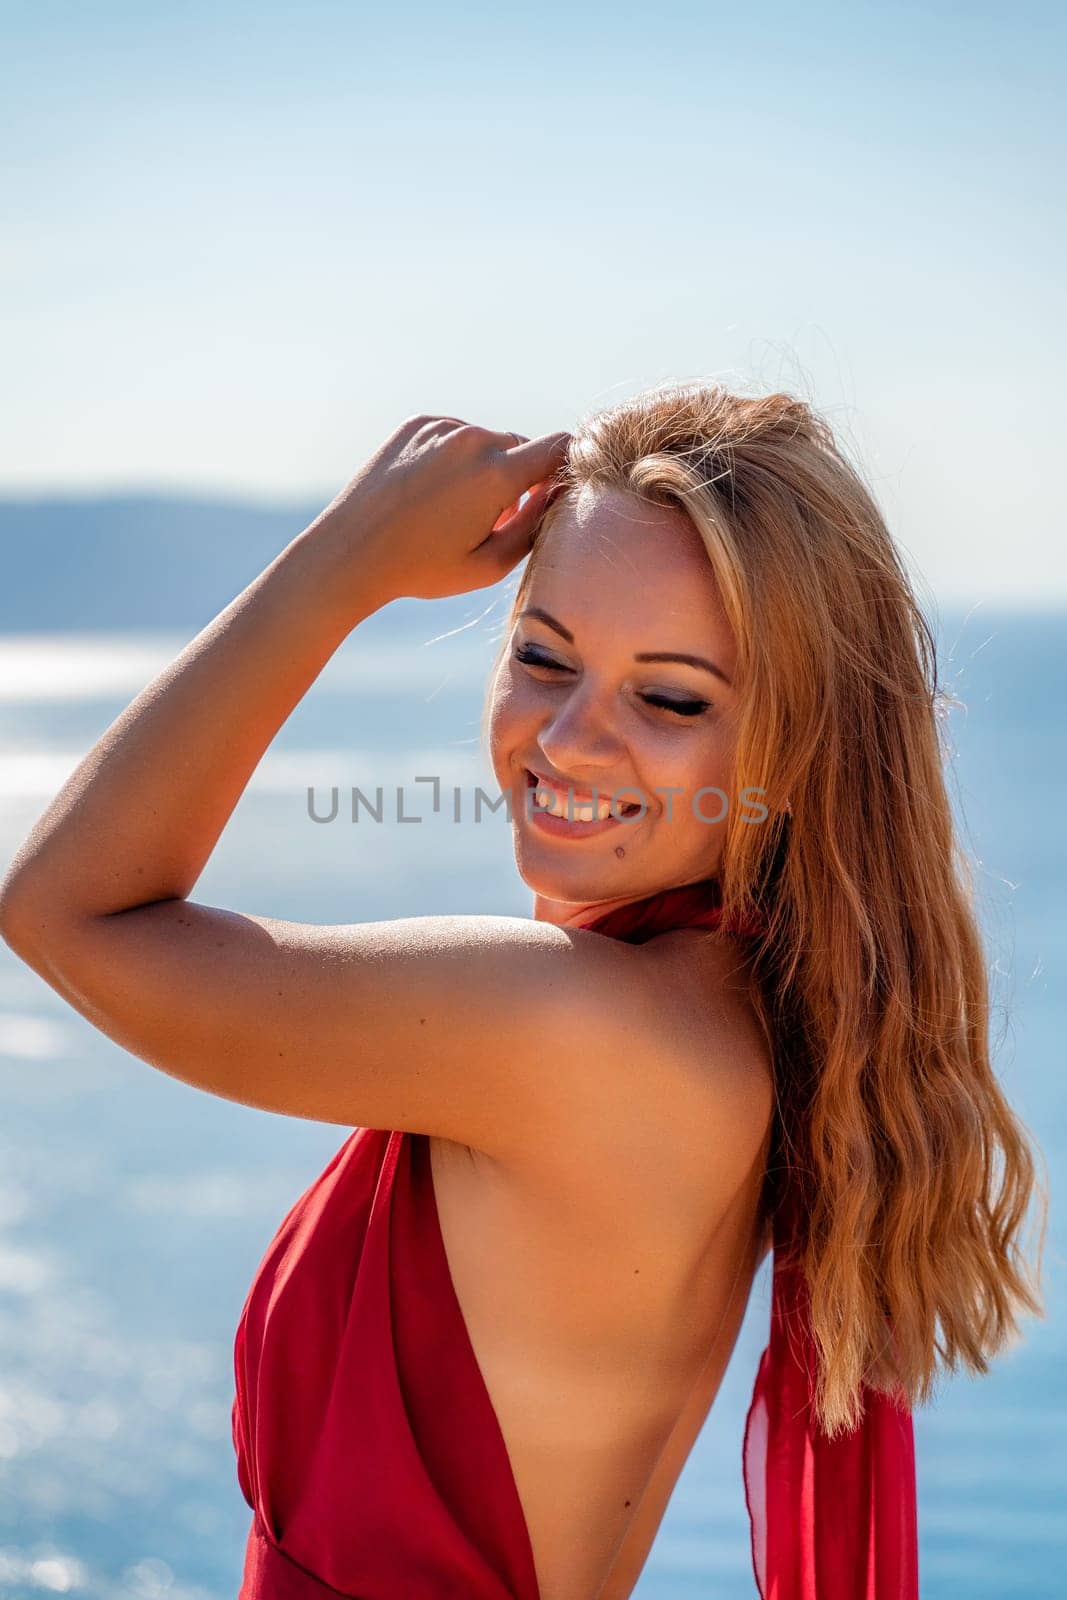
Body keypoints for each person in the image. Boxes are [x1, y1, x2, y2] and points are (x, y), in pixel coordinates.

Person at [0, 384, 1046, 1600]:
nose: (567, 740)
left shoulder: (569, 1028)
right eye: (541, 656)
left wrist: (342, 563)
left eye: (668, 697)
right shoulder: (748, 1014)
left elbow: (64, 909)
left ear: (797, 743)